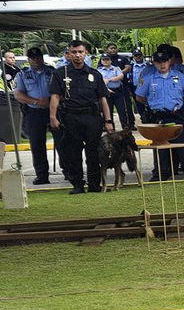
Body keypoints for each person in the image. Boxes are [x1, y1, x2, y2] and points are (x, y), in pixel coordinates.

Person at [48, 39, 112, 194]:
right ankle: (77, 184)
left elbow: (103, 98)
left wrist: (108, 120)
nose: (77, 55)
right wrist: (53, 117)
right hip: (71, 117)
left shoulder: (94, 74)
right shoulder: (60, 73)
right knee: (73, 153)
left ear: (86, 53)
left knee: (93, 152)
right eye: (74, 52)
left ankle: (94, 184)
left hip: (92, 117)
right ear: (68, 54)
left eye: (80, 52)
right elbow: (55, 96)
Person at [135, 44, 184, 178]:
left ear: (170, 61)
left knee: (182, 147)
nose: (162, 65)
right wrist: (152, 104)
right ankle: (161, 175)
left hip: (176, 115)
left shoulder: (179, 76)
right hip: (158, 117)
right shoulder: (148, 78)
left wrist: (179, 102)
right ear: (154, 63)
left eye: (165, 61)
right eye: (158, 62)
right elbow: (139, 97)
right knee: (161, 150)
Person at [13, 46, 56, 185]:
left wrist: (50, 101)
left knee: (63, 143)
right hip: (34, 111)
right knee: (37, 145)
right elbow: (18, 94)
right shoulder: (23, 74)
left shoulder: (52, 72)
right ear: (28, 59)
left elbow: (61, 90)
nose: (36, 60)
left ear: (42, 58)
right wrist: (36, 101)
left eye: (38, 57)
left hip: (53, 110)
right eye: (32, 58)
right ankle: (42, 176)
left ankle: (69, 172)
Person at [96, 45, 134, 130]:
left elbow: (121, 76)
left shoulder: (116, 68)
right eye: (104, 60)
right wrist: (107, 83)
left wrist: (109, 79)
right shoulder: (99, 71)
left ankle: (125, 128)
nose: (105, 61)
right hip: (106, 92)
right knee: (108, 111)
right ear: (101, 61)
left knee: (122, 110)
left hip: (118, 91)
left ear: (110, 61)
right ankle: (111, 129)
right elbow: (99, 81)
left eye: (107, 60)